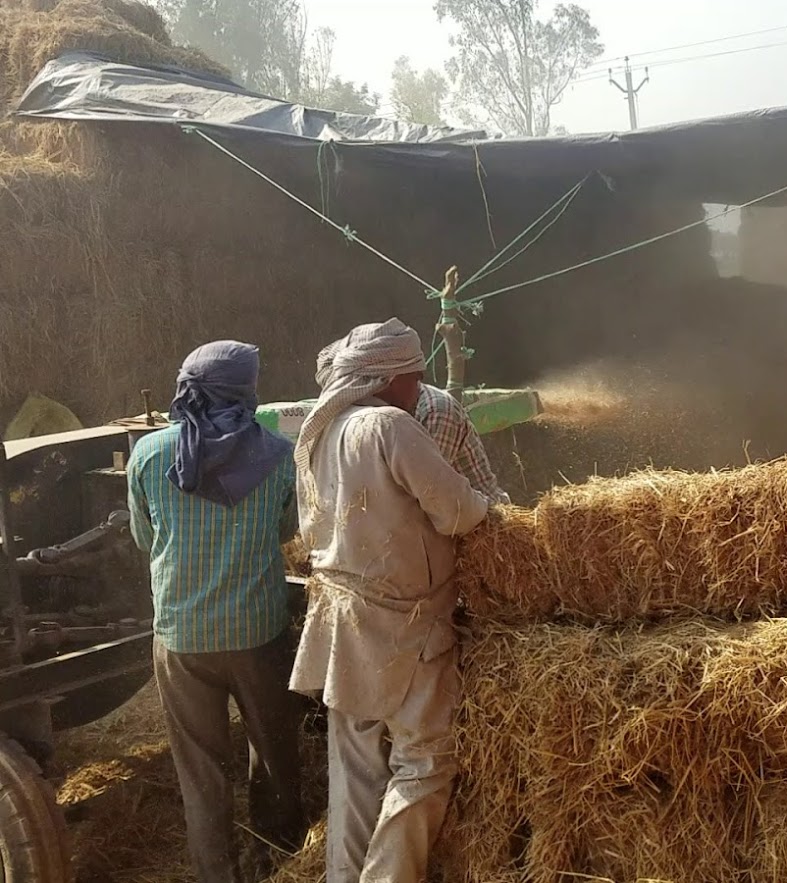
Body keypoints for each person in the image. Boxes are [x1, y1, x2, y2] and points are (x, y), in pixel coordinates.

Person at [291, 318, 491, 883]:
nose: (419, 389)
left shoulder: (325, 427)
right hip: (404, 624)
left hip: (338, 617)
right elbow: (457, 512)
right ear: (389, 377)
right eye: (414, 377)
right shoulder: (390, 426)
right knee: (425, 762)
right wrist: (486, 504)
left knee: (353, 768)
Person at [127, 341, 305, 883]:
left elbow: (144, 537)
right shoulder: (276, 456)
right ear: (247, 391)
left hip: (181, 638)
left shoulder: (150, 454)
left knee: (200, 770)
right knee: (275, 751)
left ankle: (217, 872)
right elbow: (286, 533)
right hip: (258, 632)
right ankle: (280, 858)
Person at [314, 342, 509, 504]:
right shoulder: (373, 419)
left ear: (389, 380)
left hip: (480, 525)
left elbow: (428, 490)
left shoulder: (437, 412)